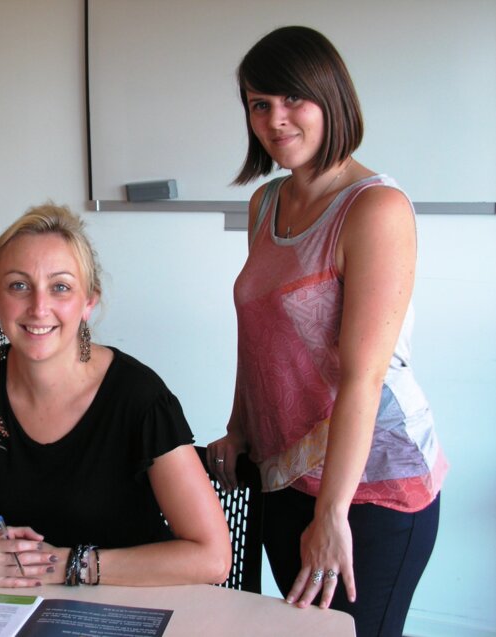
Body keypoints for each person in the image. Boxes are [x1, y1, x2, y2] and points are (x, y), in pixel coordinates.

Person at [207, 26, 447, 636]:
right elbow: (258, 338)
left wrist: (333, 513)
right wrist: (239, 429)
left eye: (292, 100)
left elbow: (364, 377)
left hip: (368, 487)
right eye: (259, 105)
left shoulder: (375, 209)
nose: (274, 120)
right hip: (284, 470)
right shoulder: (265, 203)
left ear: (331, 99)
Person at [0, 203, 231, 587]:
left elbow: (212, 558)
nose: (39, 307)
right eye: (18, 285)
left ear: (88, 301)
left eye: (60, 287)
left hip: (137, 599)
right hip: (28, 604)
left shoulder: (138, 396)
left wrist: (67, 565)